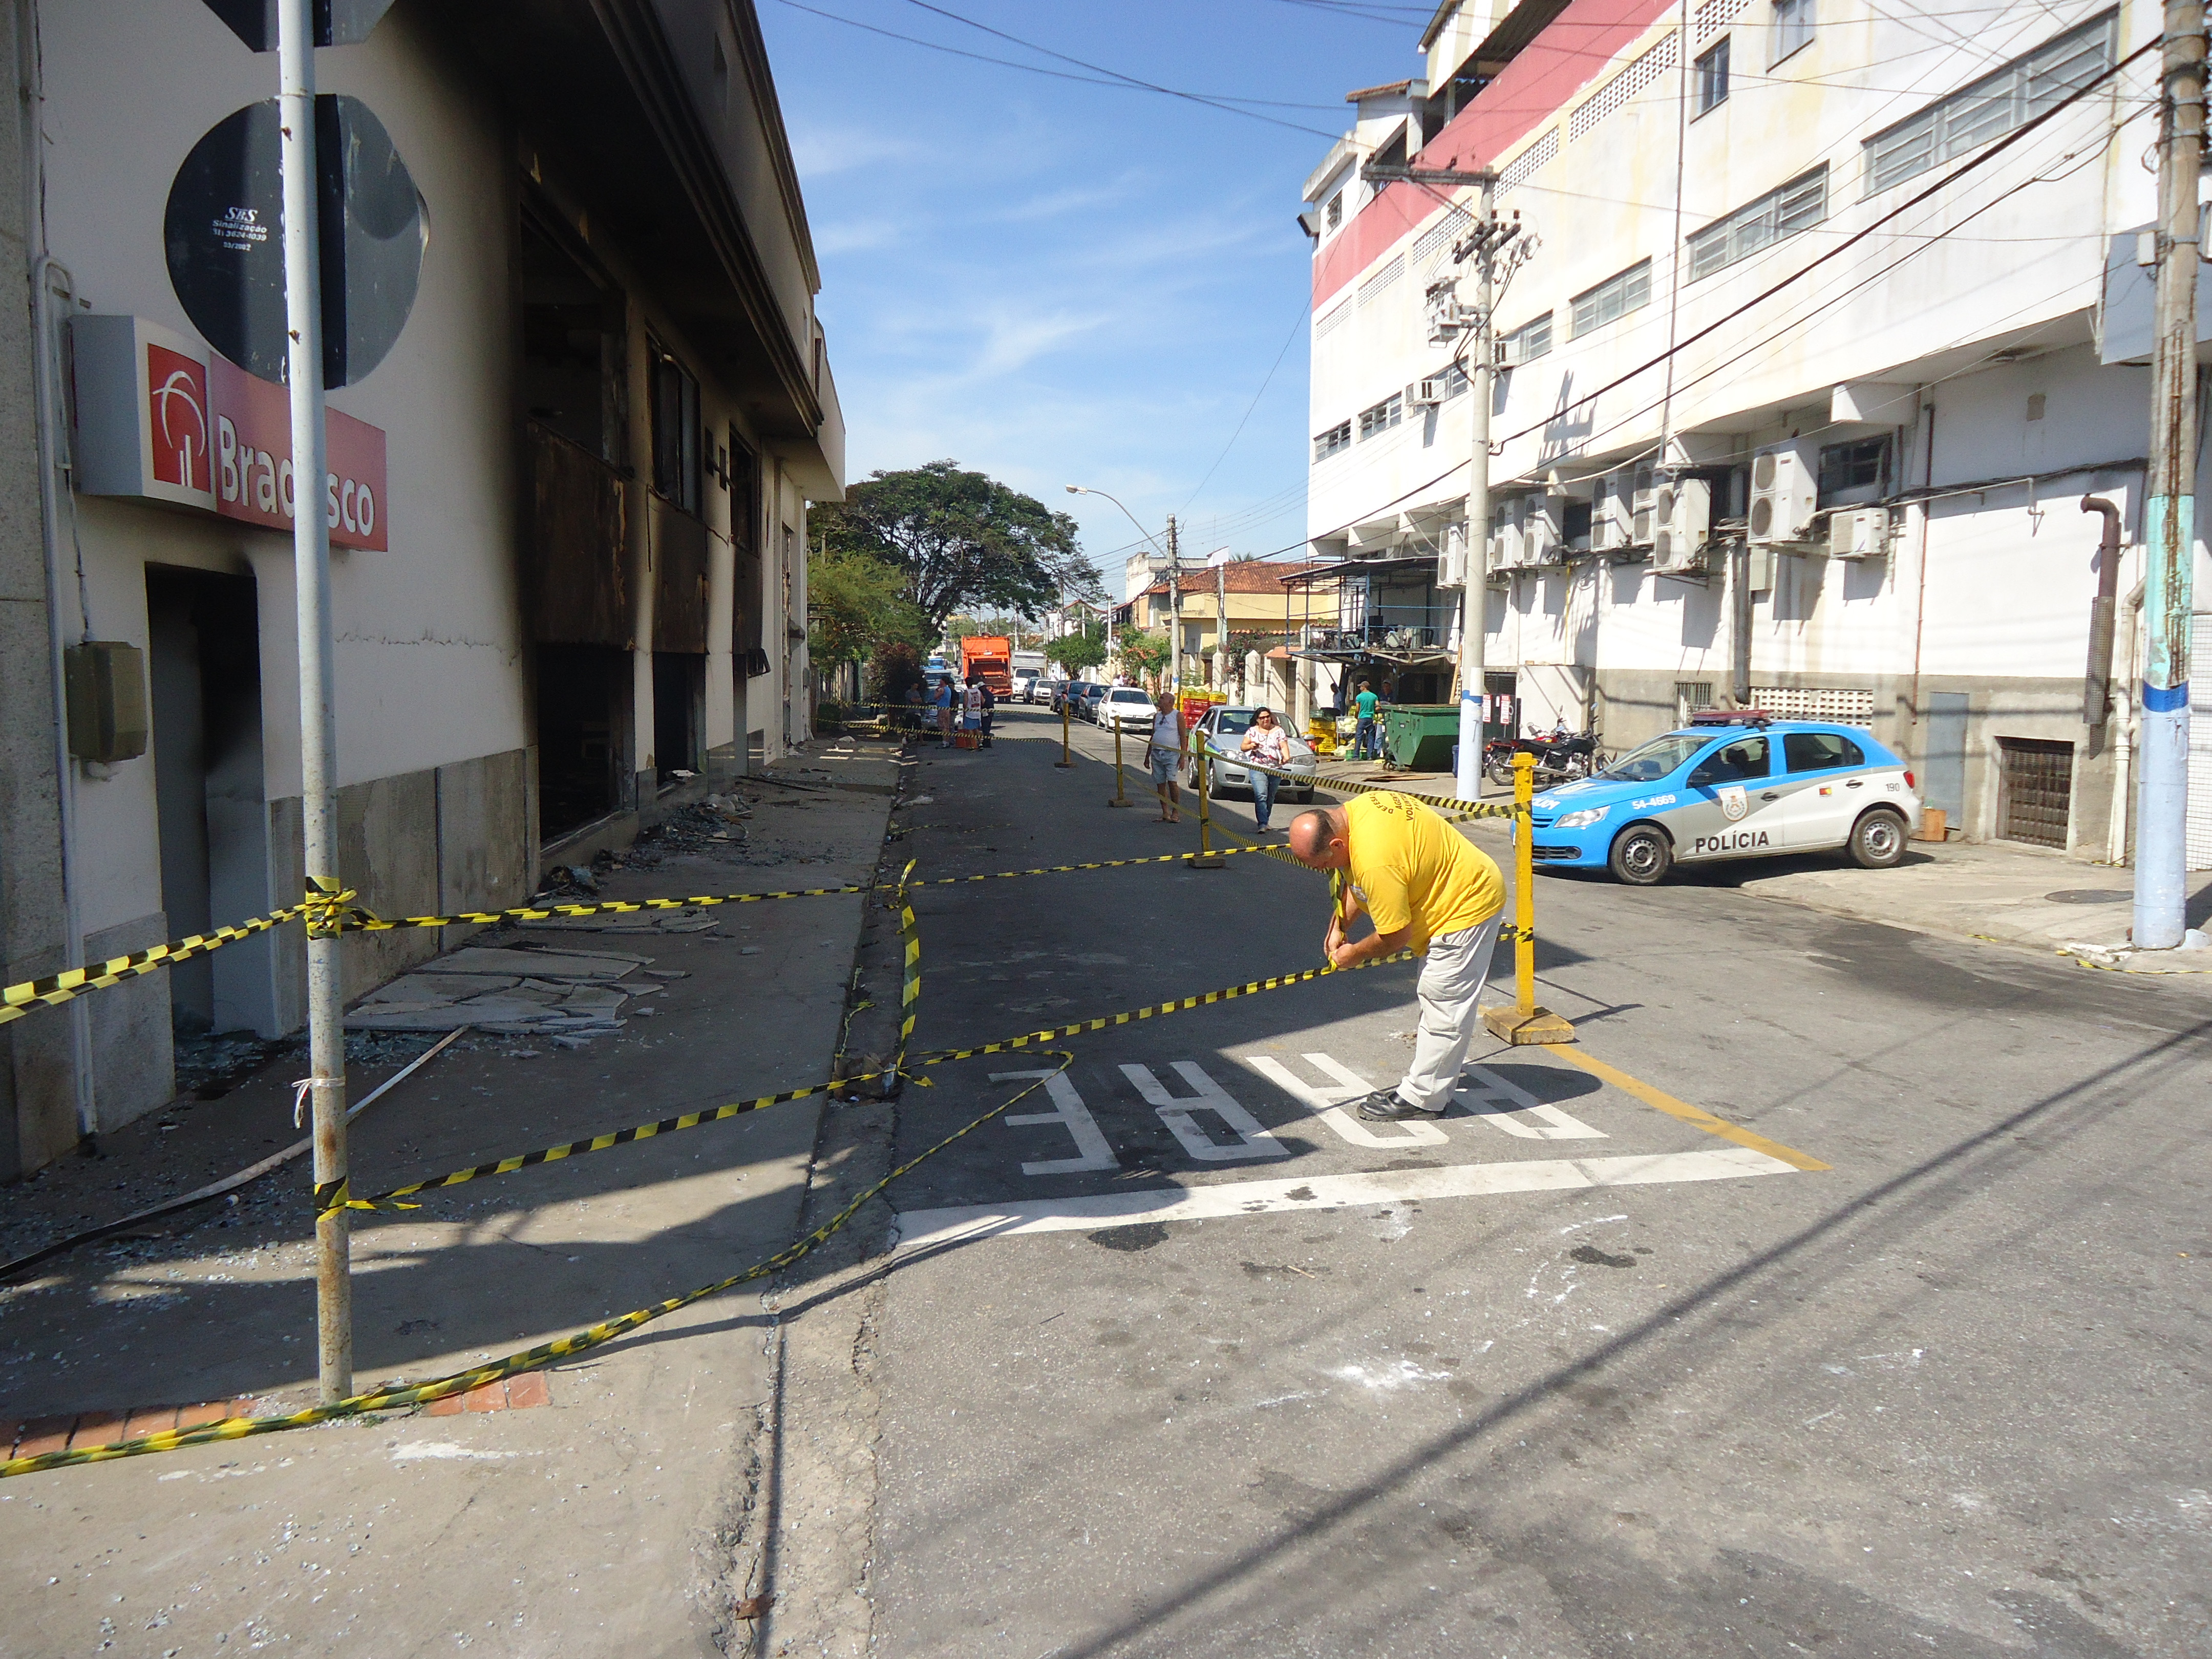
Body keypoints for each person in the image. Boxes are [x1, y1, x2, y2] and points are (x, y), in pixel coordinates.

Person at [1285, 793, 1505, 1121]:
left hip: (1465, 906)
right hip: (1451, 889)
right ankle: (1425, 1082)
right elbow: (1355, 882)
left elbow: (1395, 935)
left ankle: (1423, 1099)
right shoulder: (1358, 813)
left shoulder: (1376, 859)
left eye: (1323, 866)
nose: (1324, 872)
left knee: (1443, 1000)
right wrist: (1338, 925)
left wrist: (1353, 955)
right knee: (1438, 1000)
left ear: (1335, 845)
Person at [1239, 706, 1291, 834]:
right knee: (1261, 795)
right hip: (1257, 767)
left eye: (1267, 717)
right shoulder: (1252, 731)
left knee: (1271, 797)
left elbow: (1284, 746)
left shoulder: (1278, 731)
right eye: (1262, 718)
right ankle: (1262, 823)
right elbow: (1243, 747)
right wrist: (1251, 746)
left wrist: (1286, 757)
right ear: (1257, 720)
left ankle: (1265, 820)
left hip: (1275, 769)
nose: (1266, 720)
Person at [1147, 691, 1186, 823]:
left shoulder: (1178, 716)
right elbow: (1153, 735)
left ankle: (1175, 812)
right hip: (1157, 753)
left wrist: (1182, 757)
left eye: (1162, 698)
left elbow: (1182, 737)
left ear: (1170, 702)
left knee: (1172, 783)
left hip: (1171, 754)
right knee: (1160, 784)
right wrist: (1147, 756)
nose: (1160, 700)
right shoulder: (1157, 717)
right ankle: (1165, 812)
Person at [1352, 680, 1381, 761]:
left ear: (1364, 687)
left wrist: (1356, 716)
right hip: (1370, 719)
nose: (1360, 688)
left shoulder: (1359, 697)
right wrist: (1373, 709)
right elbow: (1379, 706)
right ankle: (1370, 756)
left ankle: (1356, 756)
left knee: (1359, 738)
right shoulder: (1374, 696)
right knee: (1371, 737)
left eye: (1361, 687)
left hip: (1362, 718)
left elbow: (1358, 708)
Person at [933, 677, 955, 747]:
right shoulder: (948, 689)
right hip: (947, 708)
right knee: (947, 726)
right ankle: (947, 742)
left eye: (941, 680)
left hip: (943, 709)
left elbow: (935, 697)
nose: (940, 681)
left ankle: (945, 742)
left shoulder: (942, 689)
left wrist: (937, 690)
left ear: (944, 681)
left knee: (943, 726)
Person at [977, 678, 996, 748]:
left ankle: (987, 742)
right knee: (987, 728)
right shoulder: (990, 694)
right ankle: (987, 742)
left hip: (986, 712)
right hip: (991, 712)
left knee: (985, 728)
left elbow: (984, 704)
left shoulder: (984, 694)